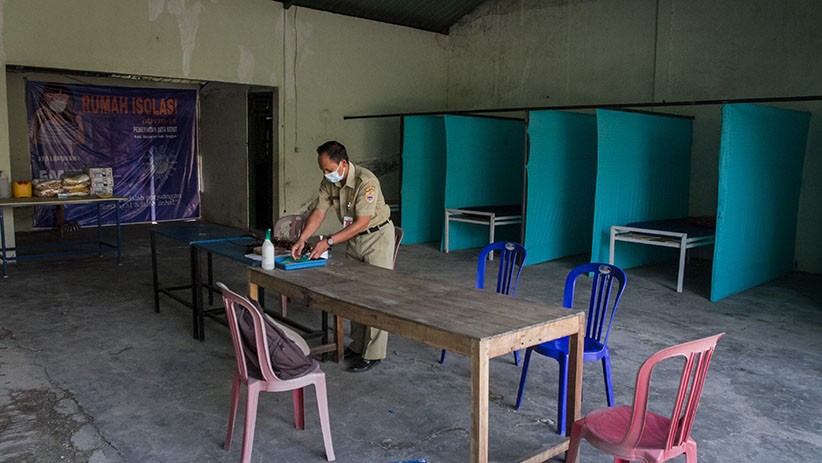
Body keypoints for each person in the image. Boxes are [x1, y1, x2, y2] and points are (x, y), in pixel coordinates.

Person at [291, 140, 394, 373]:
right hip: (353, 238)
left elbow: (362, 222)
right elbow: (318, 212)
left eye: (328, 169)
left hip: (376, 238)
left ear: (343, 164)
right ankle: (357, 346)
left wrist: (328, 241)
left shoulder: (366, 182)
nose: (326, 174)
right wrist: (303, 238)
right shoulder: (329, 182)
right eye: (323, 170)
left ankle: (374, 353)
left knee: (376, 296)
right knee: (354, 294)